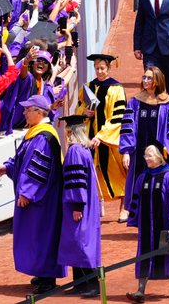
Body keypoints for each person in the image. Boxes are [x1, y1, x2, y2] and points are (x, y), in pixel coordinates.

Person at [0, 94, 67, 295]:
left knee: (42, 236)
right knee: (35, 236)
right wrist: (7, 166)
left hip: (41, 200)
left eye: (28, 109)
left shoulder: (44, 137)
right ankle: (42, 272)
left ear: (39, 112)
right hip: (38, 198)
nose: (24, 112)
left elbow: (37, 168)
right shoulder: (35, 134)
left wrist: (27, 192)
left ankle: (47, 280)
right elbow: (24, 159)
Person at [125, 142, 169, 303]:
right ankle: (140, 291)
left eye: (149, 155)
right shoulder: (143, 177)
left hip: (166, 223)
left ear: (158, 157)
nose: (146, 158)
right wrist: (136, 218)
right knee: (144, 255)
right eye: (145, 155)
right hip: (146, 227)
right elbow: (136, 199)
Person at [119, 66, 169, 211]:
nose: (145, 80)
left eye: (149, 78)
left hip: (161, 157)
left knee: (160, 187)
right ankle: (141, 222)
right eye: (144, 77)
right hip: (139, 156)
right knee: (138, 185)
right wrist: (126, 151)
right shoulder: (135, 102)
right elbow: (128, 127)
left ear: (157, 81)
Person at [57, 115, 102, 298]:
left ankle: (92, 284)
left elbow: (77, 181)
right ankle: (80, 283)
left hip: (79, 205)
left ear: (70, 132)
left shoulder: (75, 150)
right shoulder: (84, 149)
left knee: (81, 242)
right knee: (77, 242)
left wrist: (77, 206)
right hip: (86, 203)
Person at [80, 53, 129, 223]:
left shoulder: (116, 89)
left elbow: (118, 116)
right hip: (91, 138)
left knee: (119, 174)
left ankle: (124, 208)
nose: (99, 72)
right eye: (97, 68)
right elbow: (80, 108)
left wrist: (102, 135)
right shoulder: (87, 87)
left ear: (109, 68)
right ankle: (94, 207)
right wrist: (84, 112)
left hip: (110, 140)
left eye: (102, 68)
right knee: (93, 174)